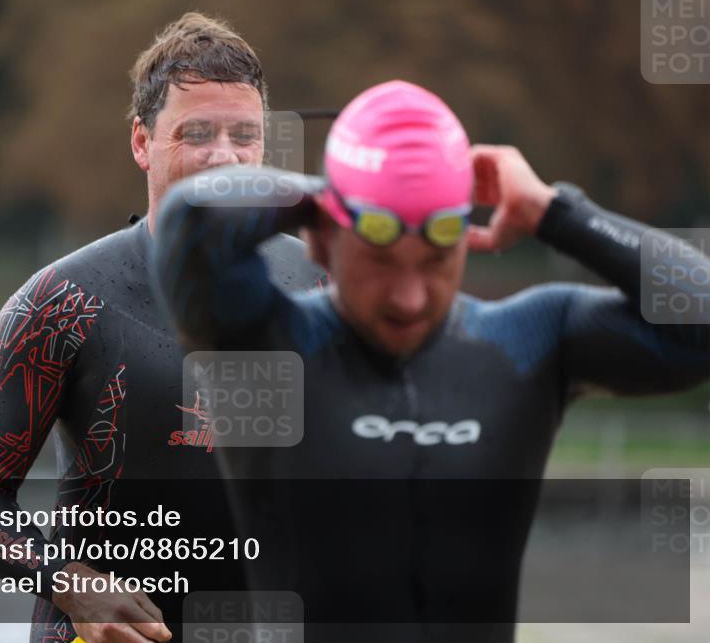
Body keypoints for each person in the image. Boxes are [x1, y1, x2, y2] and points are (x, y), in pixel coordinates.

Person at [150, 80, 710, 642]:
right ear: (321, 239)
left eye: (437, 261)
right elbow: (192, 217)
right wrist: (340, 189)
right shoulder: (265, 349)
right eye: (380, 261)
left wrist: (555, 211)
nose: (409, 298)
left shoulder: (532, 343)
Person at [0, 13, 323, 643]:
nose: (225, 156)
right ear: (142, 143)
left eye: (245, 135)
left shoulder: (322, 288)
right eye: (196, 133)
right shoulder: (61, 302)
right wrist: (68, 582)